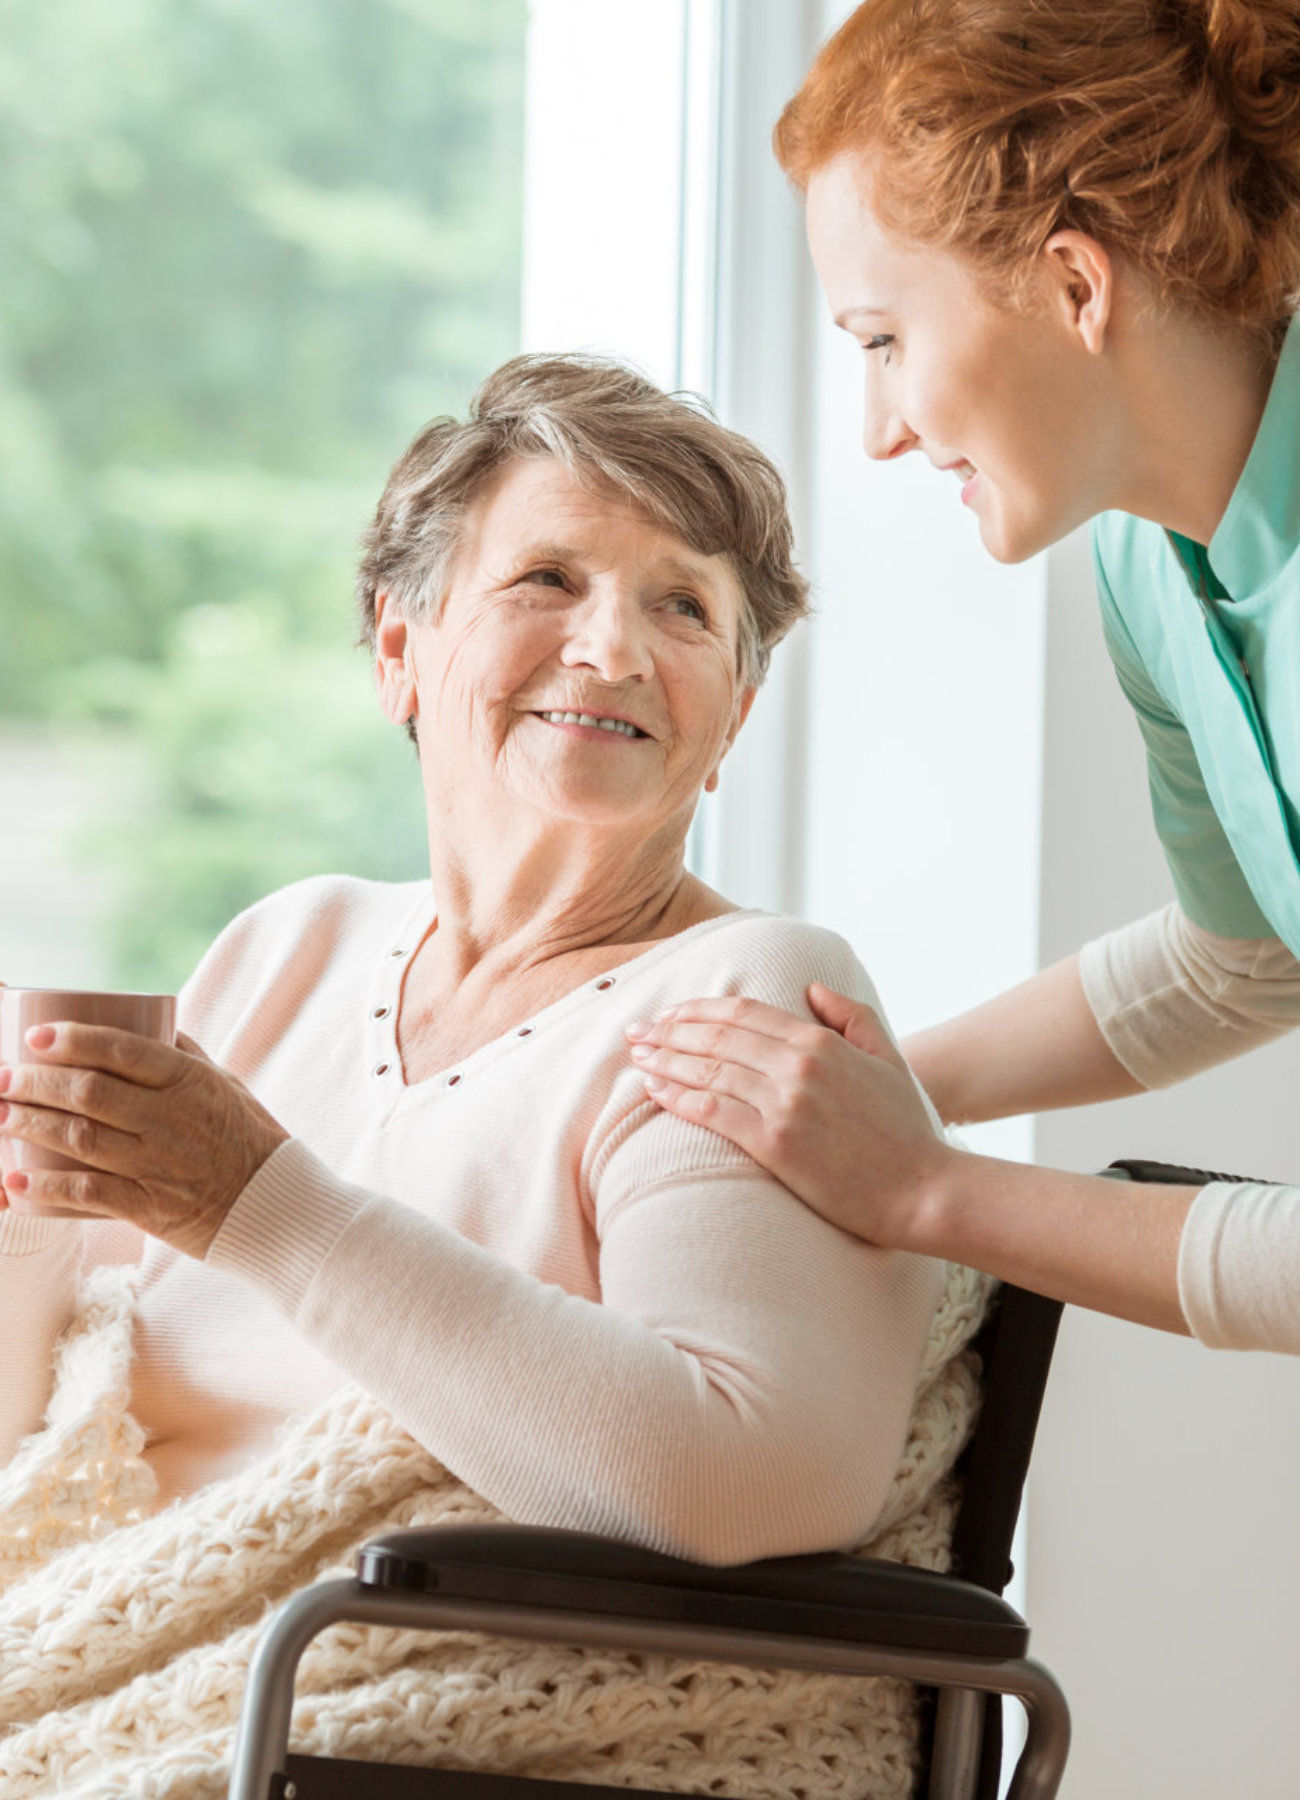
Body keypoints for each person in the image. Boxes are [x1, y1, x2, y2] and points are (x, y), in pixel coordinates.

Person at [624, 0, 1300, 1357]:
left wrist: (927, 1186)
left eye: (882, 340)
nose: (878, 431)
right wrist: (861, 1094)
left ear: (1073, 284)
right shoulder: (1155, 572)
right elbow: (1247, 963)